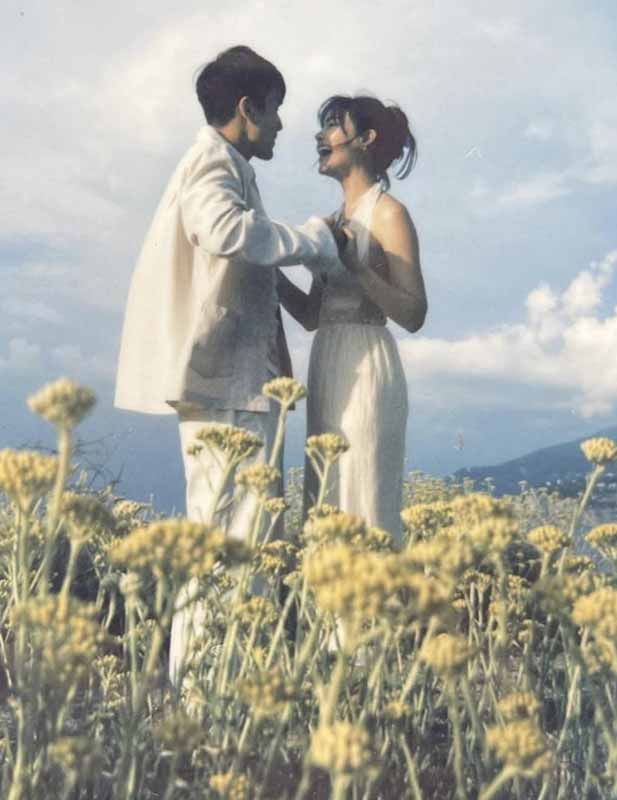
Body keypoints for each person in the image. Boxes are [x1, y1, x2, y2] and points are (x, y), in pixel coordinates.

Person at [114, 46, 344, 685]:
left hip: (236, 388)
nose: (281, 124)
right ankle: (210, 696)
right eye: (275, 110)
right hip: (229, 392)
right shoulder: (213, 163)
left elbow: (244, 264)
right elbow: (223, 230)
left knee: (235, 538)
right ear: (248, 108)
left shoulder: (223, 163)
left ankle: (217, 691)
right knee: (233, 542)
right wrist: (314, 241)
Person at [276, 94, 428, 544]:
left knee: (362, 488)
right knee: (326, 491)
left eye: (332, 126)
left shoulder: (389, 213)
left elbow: (414, 313)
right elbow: (311, 316)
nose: (320, 136)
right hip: (327, 361)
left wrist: (357, 267)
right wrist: (269, 274)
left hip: (367, 362)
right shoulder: (331, 221)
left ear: (366, 139)